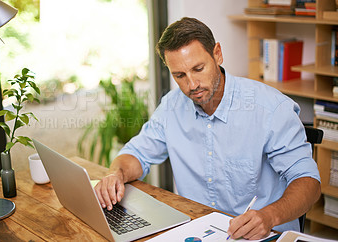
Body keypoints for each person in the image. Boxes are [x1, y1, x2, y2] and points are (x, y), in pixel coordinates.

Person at [94, 17, 321, 240]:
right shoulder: (172, 106)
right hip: (195, 231)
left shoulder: (270, 109)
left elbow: (309, 183)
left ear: (217, 54)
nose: (192, 85)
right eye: (180, 75)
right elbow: (136, 154)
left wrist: (270, 216)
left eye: (198, 69)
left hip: (260, 235)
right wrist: (116, 174)